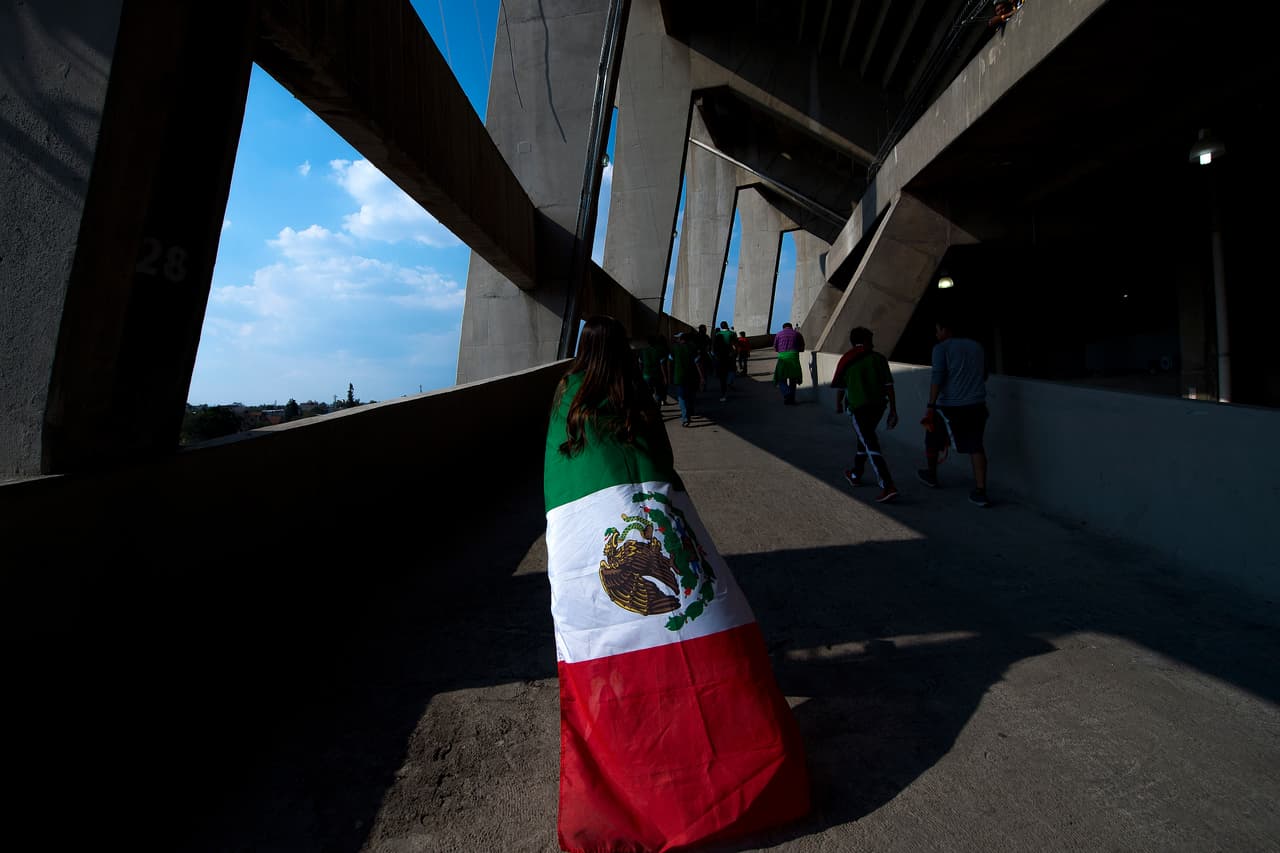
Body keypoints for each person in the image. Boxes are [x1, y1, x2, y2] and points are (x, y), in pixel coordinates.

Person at [544, 316, 810, 852]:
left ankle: (629, 772)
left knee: (611, 645)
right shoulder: (631, 386)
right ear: (622, 347)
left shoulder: (566, 394)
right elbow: (657, 456)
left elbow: (558, 463)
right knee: (695, 631)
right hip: (652, 520)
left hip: (586, 536)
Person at [918, 316, 991, 506]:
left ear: (946, 330)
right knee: (976, 446)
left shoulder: (941, 349)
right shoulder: (977, 346)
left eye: (937, 330)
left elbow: (938, 377)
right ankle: (981, 491)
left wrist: (931, 405)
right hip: (977, 404)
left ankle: (931, 475)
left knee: (931, 437)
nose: (936, 334)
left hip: (950, 408)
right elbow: (984, 375)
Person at [832, 326, 899, 503]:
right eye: (871, 338)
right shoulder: (879, 359)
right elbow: (888, 386)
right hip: (879, 408)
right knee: (864, 440)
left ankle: (887, 485)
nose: (873, 341)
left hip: (858, 409)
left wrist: (838, 404)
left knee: (870, 443)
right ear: (866, 340)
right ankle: (855, 474)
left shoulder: (847, 360)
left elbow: (841, 386)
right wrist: (893, 409)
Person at [669, 330, 700, 426]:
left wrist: (669, 375)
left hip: (679, 376)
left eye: (678, 338)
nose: (676, 339)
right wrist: (702, 376)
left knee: (682, 397)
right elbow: (698, 363)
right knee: (691, 395)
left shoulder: (674, 348)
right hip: (692, 376)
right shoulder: (693, 347)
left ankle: (685, 418)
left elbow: (670, 362)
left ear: (680, 339)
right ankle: (691, 411)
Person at [772, 322, 804, 405]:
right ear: (791, 327)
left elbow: (775, 348)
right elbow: (802, 347)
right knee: (793, 380)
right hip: (794, 357)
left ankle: (786, 393)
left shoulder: (778, 334)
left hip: (782, 358)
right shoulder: (797, 334)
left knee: (781, 378)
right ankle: (792, 399)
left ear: (783, 328)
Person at [639, 333, 670, 405]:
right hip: (657, 375)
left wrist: (641, 375)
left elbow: (640, 364)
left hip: (646, 375)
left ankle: (650, 408)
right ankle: (658, 408)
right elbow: (662, 365)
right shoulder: (660, 350)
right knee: (658, 392)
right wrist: (665, 377)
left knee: (648, 393)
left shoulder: (643, 351)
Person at [711, 322, 737, 401]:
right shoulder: (732, 333)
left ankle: (723, 394)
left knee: (722, 377)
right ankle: (729, 382)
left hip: (720, 358)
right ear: (727, 326)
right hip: (729, 356)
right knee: (732, 369)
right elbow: (735, 345)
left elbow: (713, 348)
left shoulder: (718, 334)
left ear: (721, 326)